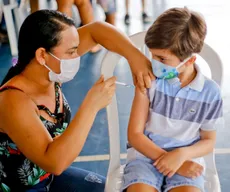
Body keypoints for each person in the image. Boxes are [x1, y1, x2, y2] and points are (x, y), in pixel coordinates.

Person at [0, 10, 153, 192]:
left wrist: (134, 56)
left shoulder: (49, 69)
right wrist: (91, 105)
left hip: (50, 179)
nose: (77, 56)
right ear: (42, 55)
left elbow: (97, 30)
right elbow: (55, 163)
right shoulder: (12, 100)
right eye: (72, 52)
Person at [122, 7, 223, 192]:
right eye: (152, 55)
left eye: (162, 58)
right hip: (144, 158)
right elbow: (135, 135)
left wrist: (181, 155)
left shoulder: (211, 93)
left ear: (190, 61)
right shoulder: (148, 80)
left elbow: (208, 140)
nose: (154, 63)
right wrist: (165, 158)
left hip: (185, 160)